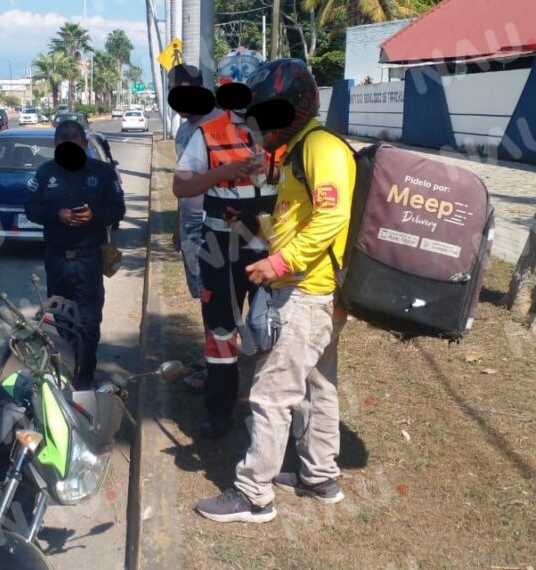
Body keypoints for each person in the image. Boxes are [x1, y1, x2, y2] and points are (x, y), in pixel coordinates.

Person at [196, 59, 356, 523]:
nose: (260, 125)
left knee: (271, 395)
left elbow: (332, 216)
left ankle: (253, 495)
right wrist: (251, 230)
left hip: (306, 293)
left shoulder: (320, 148)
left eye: (267, 113)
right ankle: (319, 476)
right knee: (318, 388)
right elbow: (293, 223)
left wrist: (279, 262)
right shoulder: (297, 153)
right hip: (315, 292)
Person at [171, 70, 273, 440]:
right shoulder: (208, 134)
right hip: (218, 249)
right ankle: (218, 411)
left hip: (267, 250)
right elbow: (180, 186)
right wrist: (224, 172)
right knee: (220, 333)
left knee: (269, 334)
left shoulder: (280, 135)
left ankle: (266, 417)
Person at [25, 120, 126, 389]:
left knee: (90, 321)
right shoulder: (46, 172)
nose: (69, 143)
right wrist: (56, 215)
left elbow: (118, 210)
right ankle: (69, 364)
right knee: (61, 319)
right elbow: (31, 209)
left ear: (84, 142)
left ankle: (84, 374)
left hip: (88, 259)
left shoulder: (102, 172)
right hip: (56, 259)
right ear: (56, 145)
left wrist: (95, 216)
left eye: (75, 138)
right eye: (63, 139)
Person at [167, 63, 221, 391]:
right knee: (204, 298)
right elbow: (182, 181)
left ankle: (218, 367)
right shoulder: (184, 130)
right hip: (190, 227)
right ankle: (211, 358)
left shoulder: (218, 125)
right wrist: (178, 225)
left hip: (214, 227)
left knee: (215, 299)